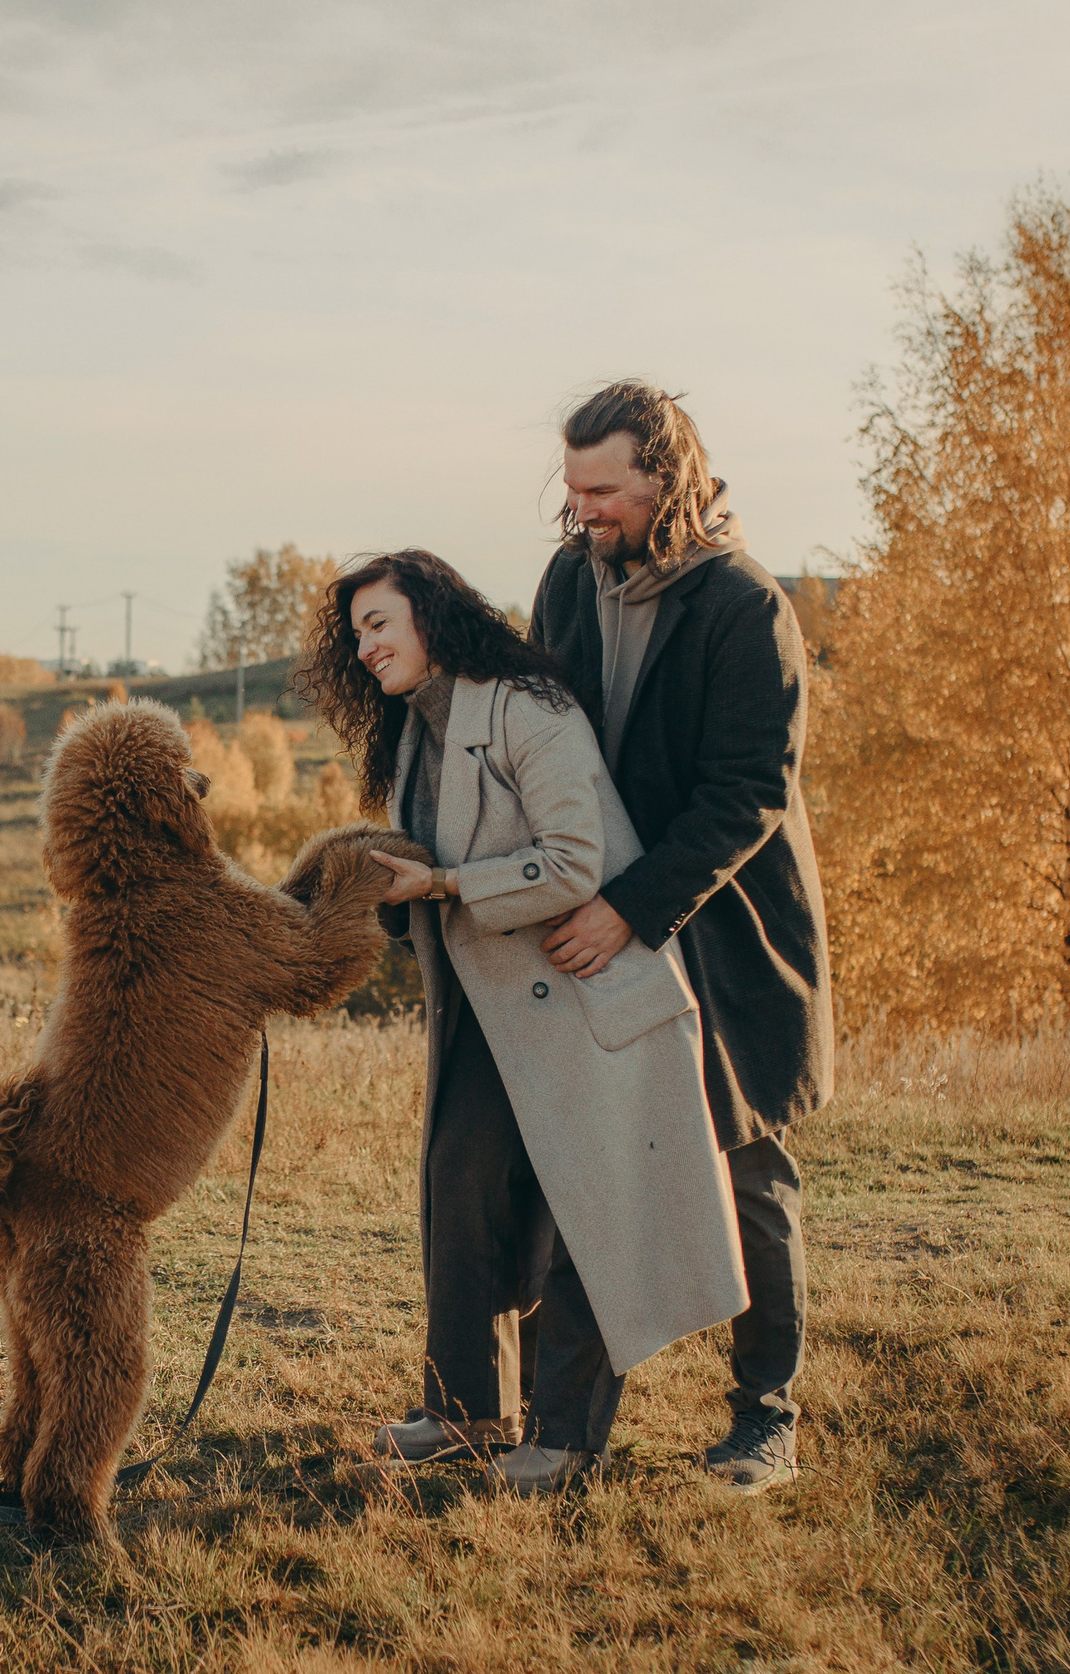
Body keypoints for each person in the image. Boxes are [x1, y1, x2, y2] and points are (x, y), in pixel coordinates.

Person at [292, 549, 748, 1493]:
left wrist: (449, 885)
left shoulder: (528, 708)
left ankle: (568, 1437)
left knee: (593, 1216)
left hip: (591, 1000)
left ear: (433, 612)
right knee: (459, 1186)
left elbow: (575, 862)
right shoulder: (421, 729)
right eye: (356, 634)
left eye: (379, 622)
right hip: (494, 1012)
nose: (366, 645)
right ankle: (462, 1413)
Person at [529, 381, 832, 1493]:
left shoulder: (745, 605)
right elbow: (533, 727)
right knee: (584, 1170)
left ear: (667, 477)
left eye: (604, 490)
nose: (584, 511)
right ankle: (563, 1433)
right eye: (572, 490)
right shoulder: (567, 577)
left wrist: (631, 907)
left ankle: (764, 1418)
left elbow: (747, 793)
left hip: (726, 933)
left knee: (747, 1181)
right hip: (594, 926)